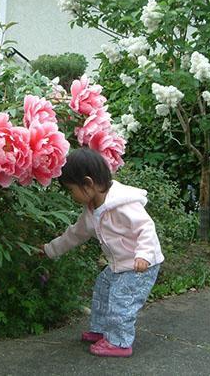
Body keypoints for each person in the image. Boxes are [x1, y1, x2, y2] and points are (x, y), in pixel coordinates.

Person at [42, 147, 164, 357]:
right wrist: (49, 250)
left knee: (121, 301)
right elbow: (75, 234)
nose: (72, 196)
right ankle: (101, 330)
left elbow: (146, 227)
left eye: (72, 190)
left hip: (140, 266)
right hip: (119, 266)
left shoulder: (123, 204)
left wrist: (143, 254)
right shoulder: (92, 210)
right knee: (103, 289)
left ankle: (119, 342)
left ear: (88, 183)